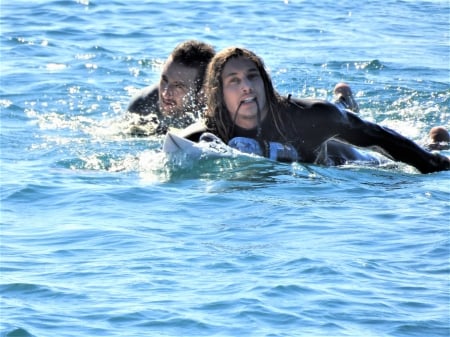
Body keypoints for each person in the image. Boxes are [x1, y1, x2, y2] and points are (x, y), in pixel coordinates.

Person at [181, 47, 449, 174]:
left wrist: (433, 163)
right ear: (218, 92)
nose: (246, 87)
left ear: (265, 82)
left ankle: (436, 143)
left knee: (345, 120)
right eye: (234, 81)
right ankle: (344, 99)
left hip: (347, 158)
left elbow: (376, 134)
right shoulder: (207, 134)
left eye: (253, 77)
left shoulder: (309, 116)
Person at [126, 40, 216, 135]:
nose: (165, 93)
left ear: (203, 92)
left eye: (178, 86)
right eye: (164, 80)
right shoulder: (144, 104)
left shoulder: (220, 115)